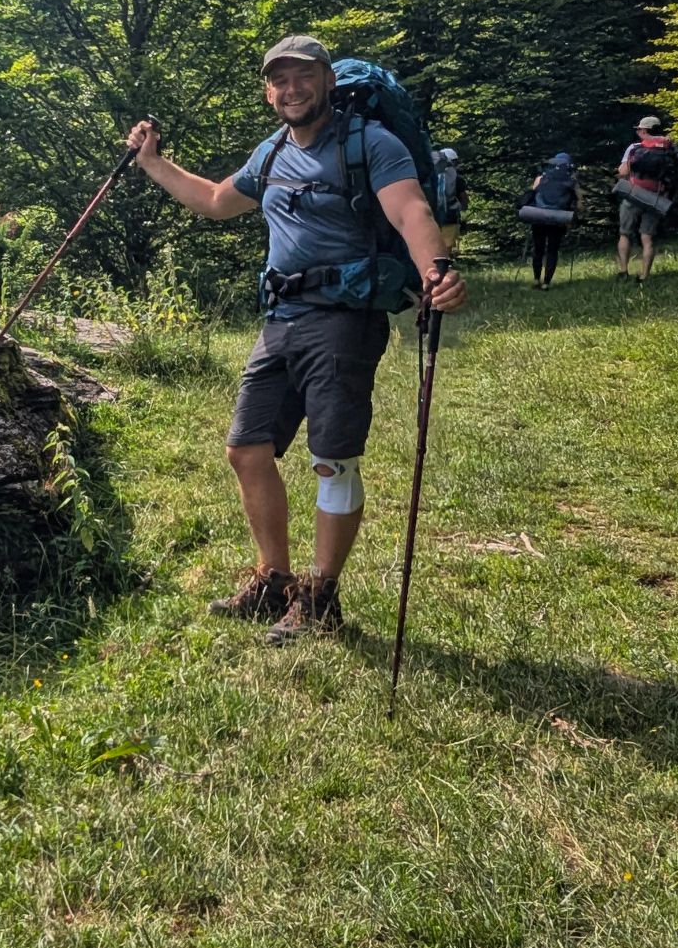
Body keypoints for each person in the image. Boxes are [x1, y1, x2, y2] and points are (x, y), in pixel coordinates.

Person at [125, 35, 466, 643]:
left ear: (327, 81)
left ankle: (321, 599)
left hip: (344, 321)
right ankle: (274, 581)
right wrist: (152, 162)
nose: (291, 89)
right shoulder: (272, 152)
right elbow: (213, 200)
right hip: (281, 319)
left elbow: (411, 212)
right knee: (247, 449)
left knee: (332, 461)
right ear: (268, 91)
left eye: (303, 76)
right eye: (279, 80)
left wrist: (434, 269)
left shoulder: (370, 144)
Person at [615, 115, 678, 281]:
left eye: (639, 129)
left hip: (634, 194)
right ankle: (644, 275)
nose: (638, 131)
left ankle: (624, 271)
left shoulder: (634, 147)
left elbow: (623, 172)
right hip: (656, 197)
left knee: (625, 234)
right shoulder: (669, 147)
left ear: (645, 130)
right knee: (647, 237)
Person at [523, 151, 579, 288]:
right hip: (558, 218)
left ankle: (536, 280)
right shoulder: (571, 181)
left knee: (538, 249)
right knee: (552, 250)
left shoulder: (541, 177)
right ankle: (546, 283)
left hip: (539, 216)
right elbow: (579, 203)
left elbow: (532, 192)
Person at [434, 146, 466, 254]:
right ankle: (443, 268)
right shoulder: (458, 178)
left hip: (432, 217)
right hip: (450, 217)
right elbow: (464, 199)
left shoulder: (430, 176)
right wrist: (463, 207)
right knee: (446, 250)